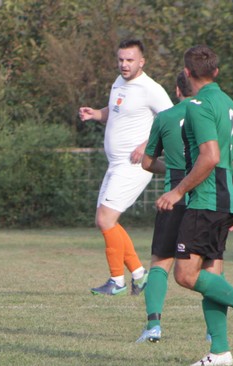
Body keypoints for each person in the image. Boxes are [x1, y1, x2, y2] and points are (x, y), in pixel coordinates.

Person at [155, 45, 233, 366]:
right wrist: (228, 190)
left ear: (187, 73)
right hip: (223, 200)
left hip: (204, 201)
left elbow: (209, 157)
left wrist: (177, 192)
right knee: (211, 274)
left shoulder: (198, 106)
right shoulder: (230, 105)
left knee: (184, 275)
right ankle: (220, 352)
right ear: (216, 72)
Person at [79, 38, 173, 296]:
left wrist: (147, 146)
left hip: (133, 166)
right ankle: (139, 275)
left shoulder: (150, 88)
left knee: (105, 219)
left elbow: (171, 121)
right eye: (121, 59)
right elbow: (116, 111)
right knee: (105, 221)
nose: (124, 64)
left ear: (142, 62)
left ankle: (117, 281)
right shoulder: (119, 83)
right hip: (116, 164)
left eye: (130, 60)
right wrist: (95, 114)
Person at [135, 71, 194, 343]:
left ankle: (153, 326)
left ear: (177, 90)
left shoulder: (165, 117)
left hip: (174, 197)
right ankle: (213, 332)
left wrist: (170, 169)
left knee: (160, 262)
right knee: (210, 264)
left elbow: (147, 163)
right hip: (205, 198)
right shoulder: (212, 114)